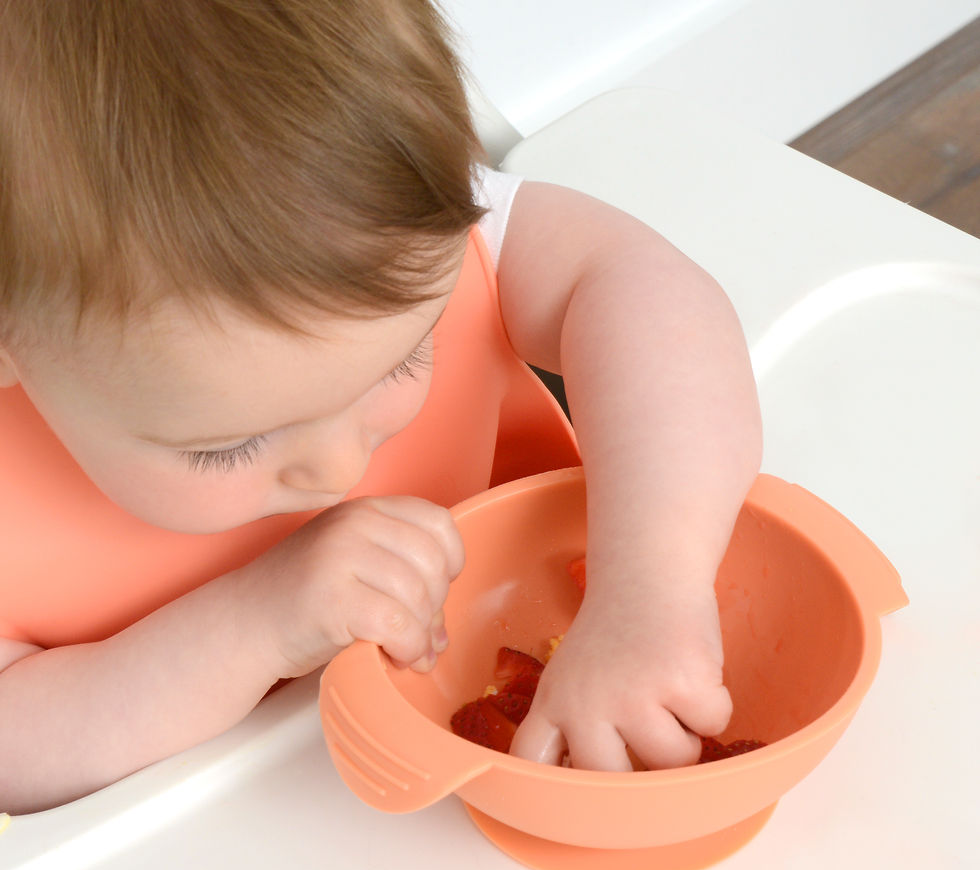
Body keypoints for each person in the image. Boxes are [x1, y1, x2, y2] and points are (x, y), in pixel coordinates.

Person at [0, 0, 761, 815]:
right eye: (228, 445)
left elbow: (649, 293)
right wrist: (254, 625)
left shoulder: (393, 216)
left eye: (404, 355)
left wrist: (650, 587)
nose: (340, 469)